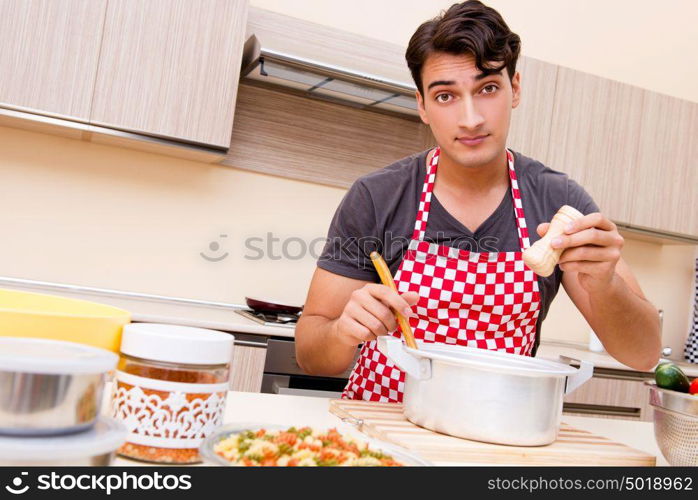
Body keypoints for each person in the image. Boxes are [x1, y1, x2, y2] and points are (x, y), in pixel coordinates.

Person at [295, 0, 661, 402]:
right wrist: (343, 329)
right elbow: (312, 356)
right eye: (446, 96)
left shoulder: (558, 200)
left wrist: (606, 284)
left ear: (514, 89)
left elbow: (643, 354)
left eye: (487, 88)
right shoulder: (377, 197)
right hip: (382, 433)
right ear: (422, 106)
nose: (470, 119)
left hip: (495, 436)